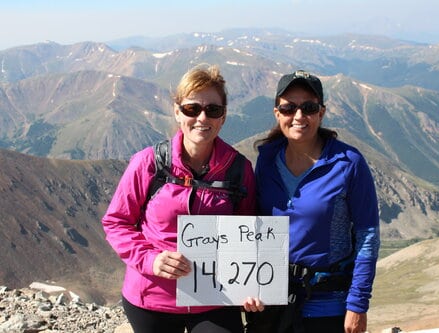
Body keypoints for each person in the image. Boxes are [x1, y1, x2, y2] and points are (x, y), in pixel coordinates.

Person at [102, 64, 261, 333]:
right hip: (151, 298)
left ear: (223, 117)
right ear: (177, 112)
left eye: (213, 110)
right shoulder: (148, 163)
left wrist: (251, 285)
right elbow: (116, 223)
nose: (202, 117)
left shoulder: (239, 168)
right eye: (191, 109)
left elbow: (246, 232)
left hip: (215, 299)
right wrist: (151, 260)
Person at [245, 70, 380, 333]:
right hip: (272, 305)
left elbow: (368, 235)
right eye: (288, 108)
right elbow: (254, 225)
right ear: (277, 113)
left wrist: (357, 305)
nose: (298, 116)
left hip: (328, 306)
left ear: (321, 112)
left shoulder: (348, 163)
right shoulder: (266, 160)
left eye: (308, 107)